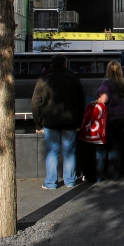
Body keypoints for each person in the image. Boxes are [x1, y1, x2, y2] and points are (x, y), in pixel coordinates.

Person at [32, 54, 86, 189]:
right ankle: (70, 180)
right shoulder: (74, 80)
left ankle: (51, 182)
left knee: (52, 152)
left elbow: (36, 103)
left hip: (50, 122)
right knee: (69, 152)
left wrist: (38, 122)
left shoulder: (43, 80)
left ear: (51, 65)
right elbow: (81, 102)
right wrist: (79, 121)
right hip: (70, 121)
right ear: (65, 64)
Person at [91, 61, 124, 182]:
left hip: (110, 117)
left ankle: (98, 175)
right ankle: (113, 174)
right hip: (122, 117)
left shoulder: (107, 84)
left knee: (102, 146)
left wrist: (95, 101)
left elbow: (103, 100)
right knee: (115, 146)